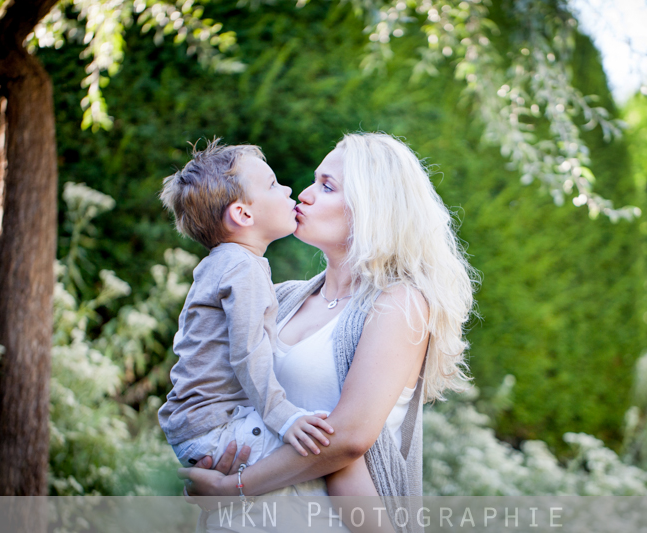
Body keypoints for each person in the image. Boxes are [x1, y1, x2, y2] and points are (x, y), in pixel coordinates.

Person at [179, 133, 476, 530]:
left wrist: (232, 487)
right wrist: (210, 461)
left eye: (327, 186)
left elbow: (348, 439)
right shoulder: (280, 297)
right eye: (314, 180)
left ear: (373, 207)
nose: (303, 193)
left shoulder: (398, 303)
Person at [158, 140, 376, 498]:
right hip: (217, 425)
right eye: (273, 184)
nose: (291, 189)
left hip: (203, 425)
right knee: (331, 453)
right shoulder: (242, 269)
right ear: (244, 215)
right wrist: (284, 415)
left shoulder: (226, 264)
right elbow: (248, 352)